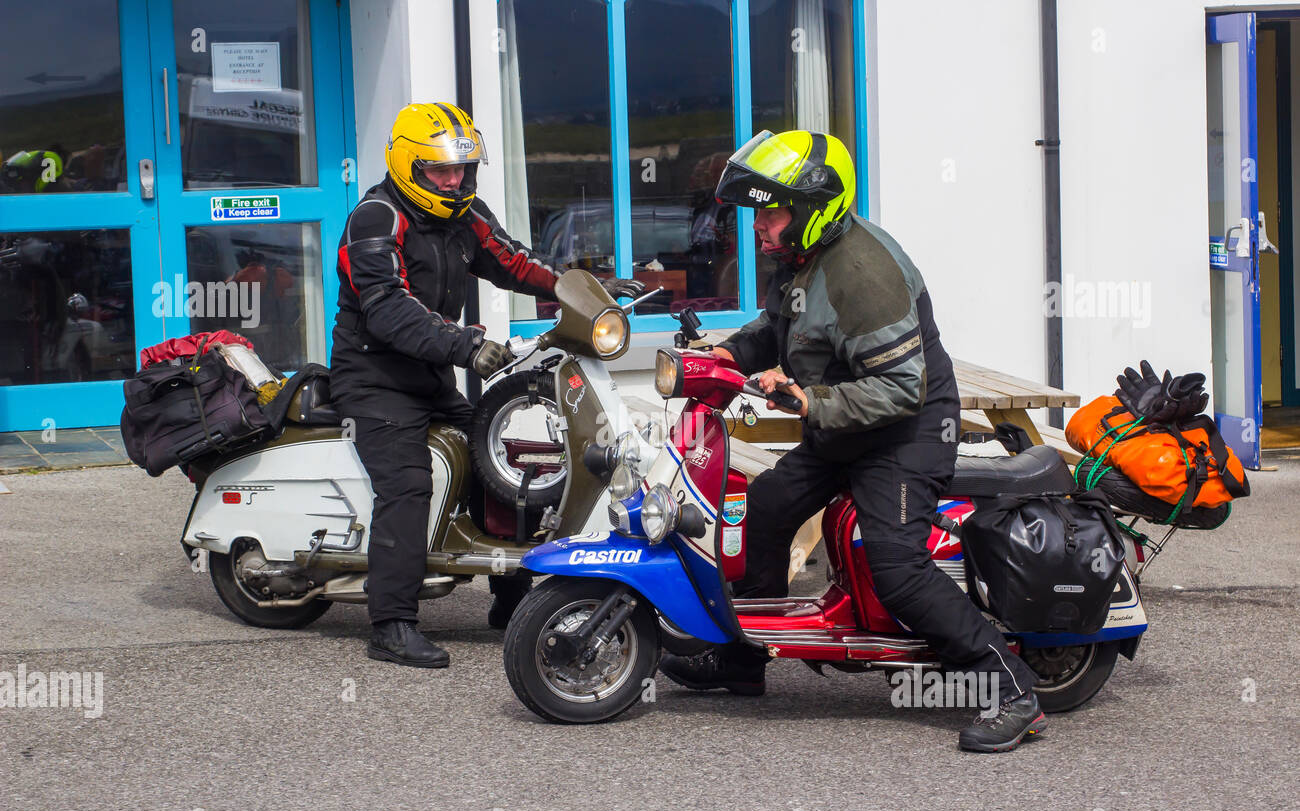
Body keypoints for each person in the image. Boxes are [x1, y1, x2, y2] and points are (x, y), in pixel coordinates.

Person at [656, 129, 1045, 752]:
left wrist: (811, 401)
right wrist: (729, 351)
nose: (760, 227)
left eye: (772, 212)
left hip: (905, 432)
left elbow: (902, 388)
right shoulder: (803, 259)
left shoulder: (865, 273)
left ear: (813, 209)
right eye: (758, 212)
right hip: (845, 421)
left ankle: (1012, 689)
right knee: (767, 506)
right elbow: (778, 326)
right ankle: (742, 662)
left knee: (898, 567)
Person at [330, 102, 641, 668]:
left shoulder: (463, 214)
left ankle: (512, 597)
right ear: (407, 166)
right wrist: (466, 346)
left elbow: (513, 261)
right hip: (372, 380)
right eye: (440, 171)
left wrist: (584, 289)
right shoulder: (375, 218)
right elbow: (387, 310)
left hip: (427, 373)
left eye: (462, 170)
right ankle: (391, 623)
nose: (454, 181)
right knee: (407, 484)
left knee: (495, 456)